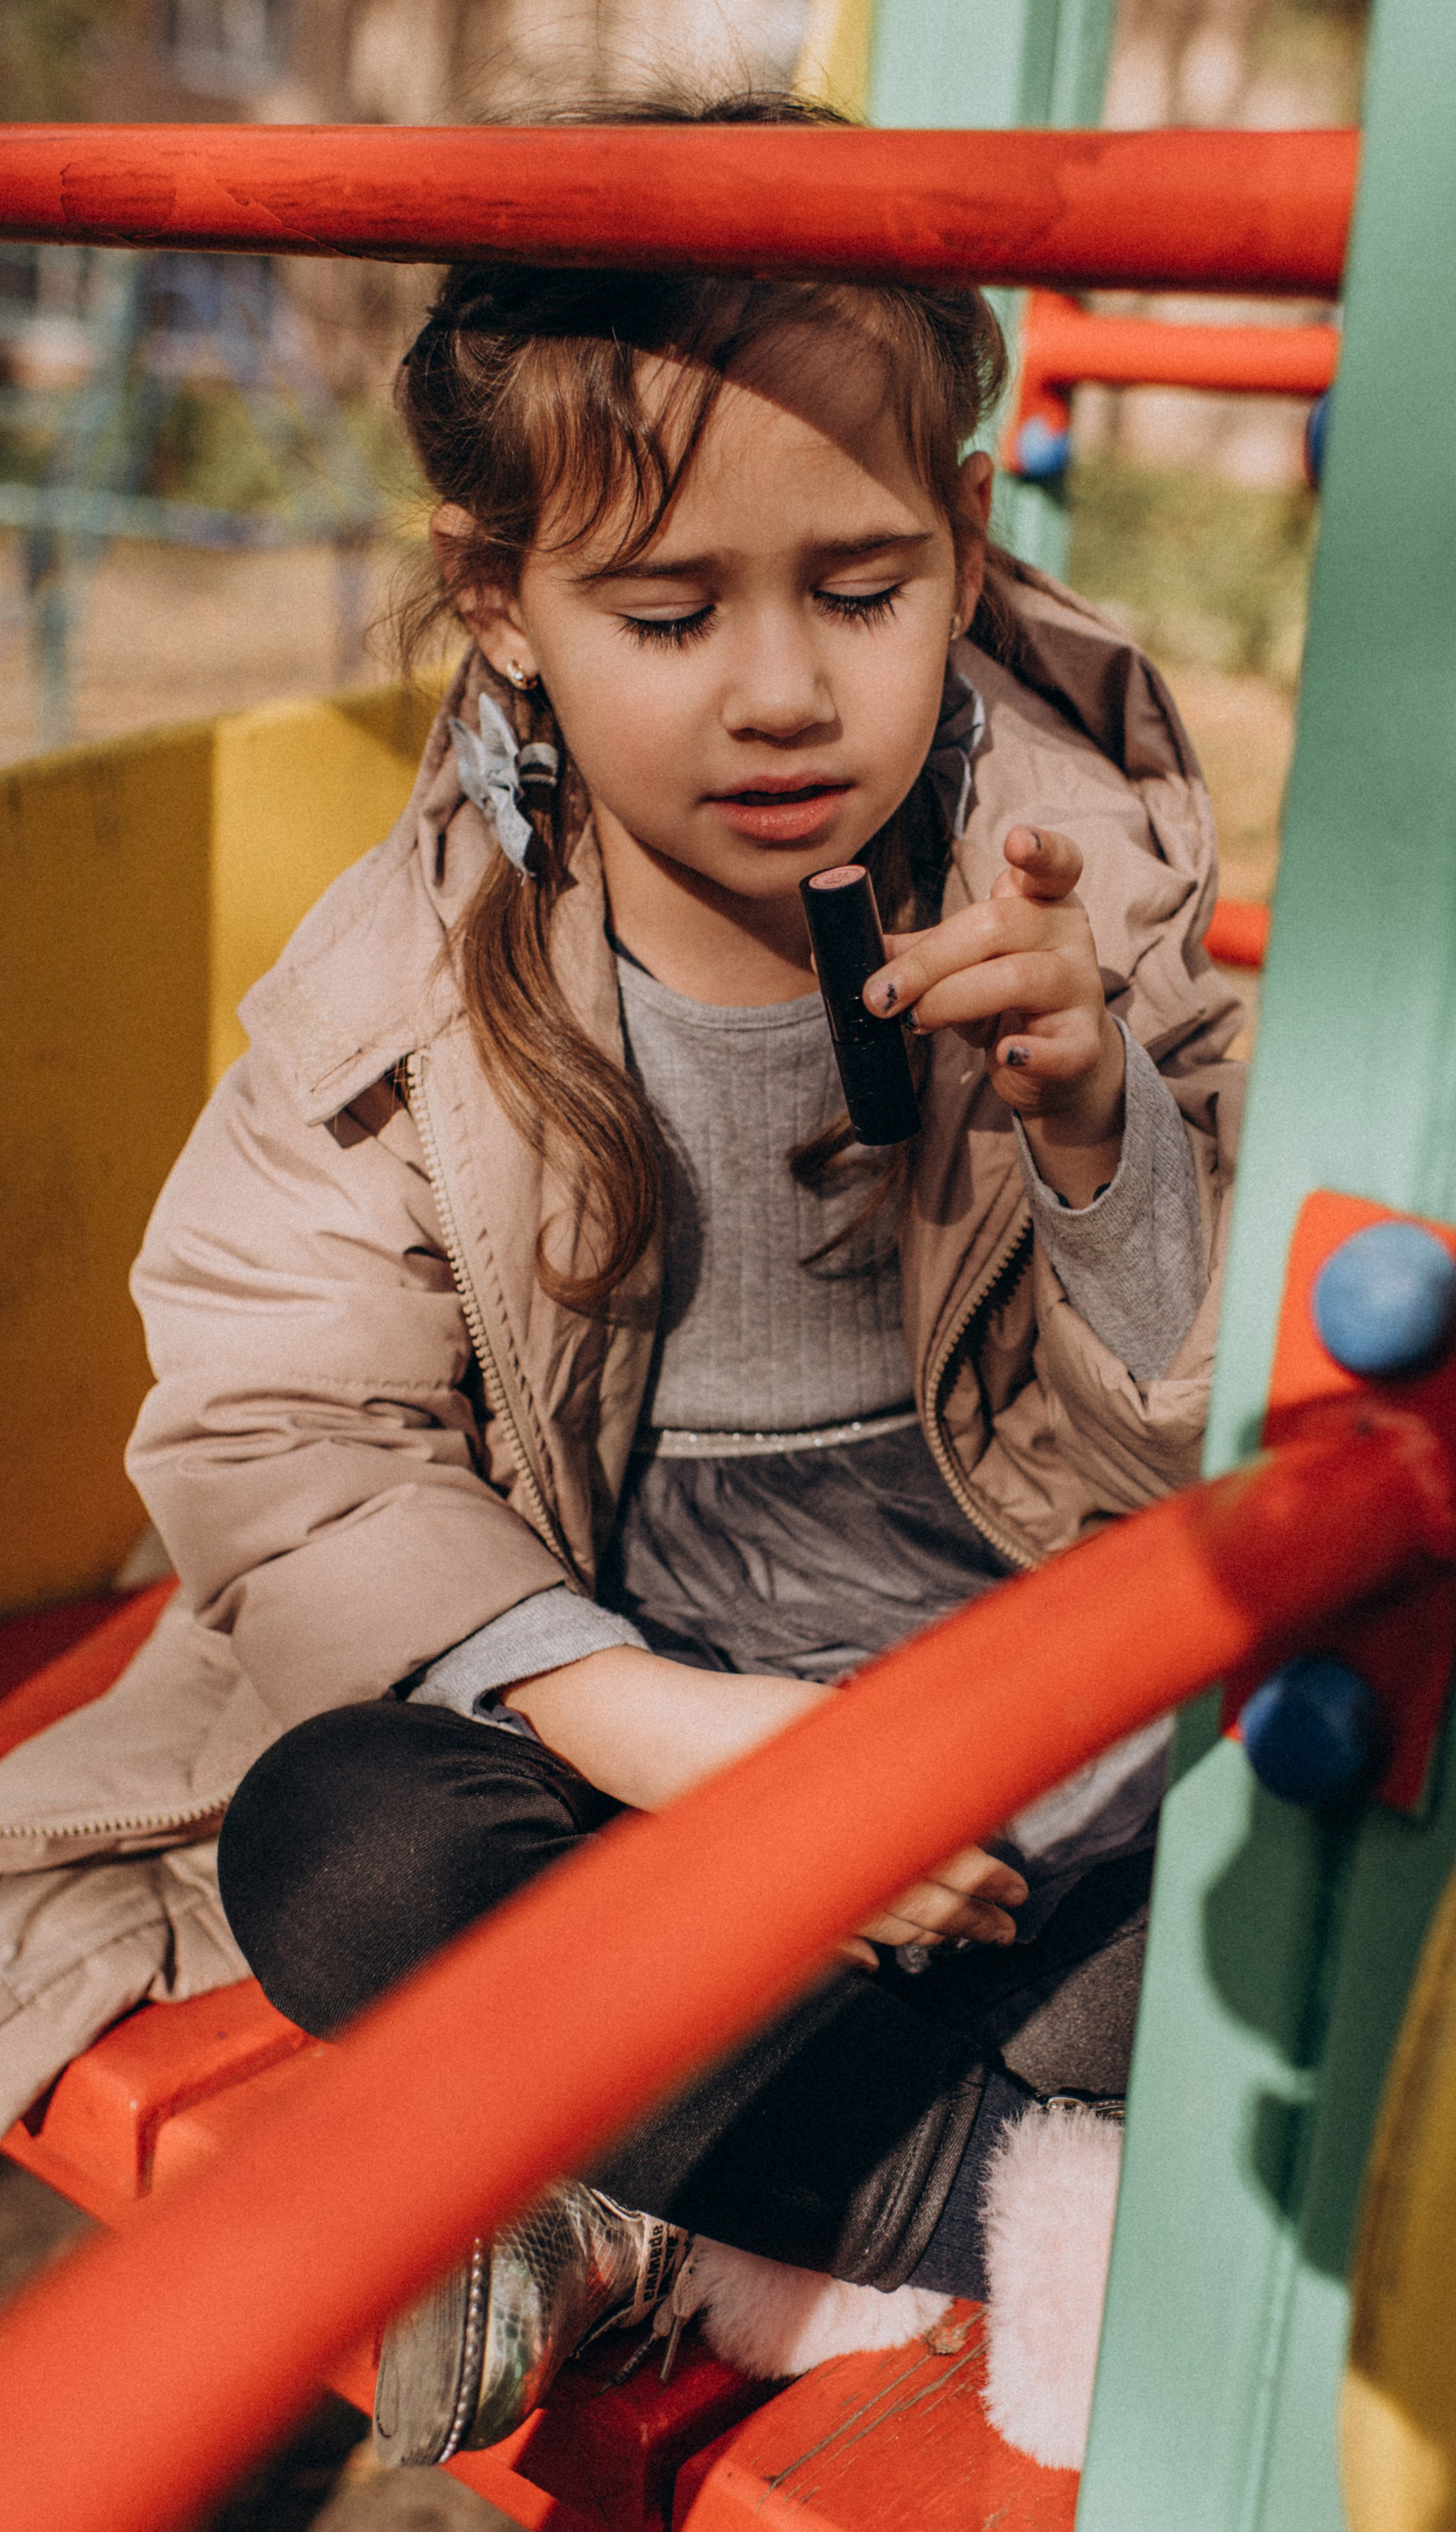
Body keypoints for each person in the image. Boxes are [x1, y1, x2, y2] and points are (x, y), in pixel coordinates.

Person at [125, 95, 1245, 2475]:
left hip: (1018, 1690)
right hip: (647, 1732)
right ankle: (1003, 2211)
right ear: (497, 597)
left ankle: (685, 2218)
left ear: (964, 544)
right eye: (666, 613)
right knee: (336, 1837)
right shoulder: (406, 987)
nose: (778, 693)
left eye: (860, 590)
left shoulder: (1085, 887)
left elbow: (1213, 1436)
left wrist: (1095, 1130)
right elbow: (275, 1419)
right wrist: (640, 1728)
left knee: (1284, 1825)